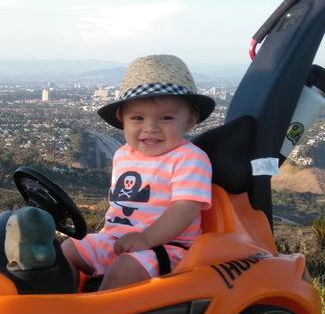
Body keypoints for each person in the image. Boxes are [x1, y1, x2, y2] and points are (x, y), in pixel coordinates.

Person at [62, 54, 214, 290]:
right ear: (122, 119)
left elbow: (185, 208)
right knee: (67, 249)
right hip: (116, 238)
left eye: (166, 118)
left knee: (125, 269)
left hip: (167, 247)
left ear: (190, 120)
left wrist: (145, 239)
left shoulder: (190, 158)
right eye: (137, 118)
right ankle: (59, 306)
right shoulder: (123, 154)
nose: (150, 128)